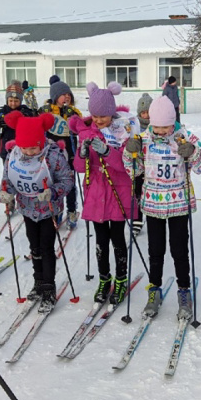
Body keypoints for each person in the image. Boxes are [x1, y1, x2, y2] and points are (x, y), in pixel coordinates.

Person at [123, 96, 201, 319]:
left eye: (165, 127)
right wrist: (129, 152)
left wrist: (192, 152)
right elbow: (134, 170)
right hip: (152, 204)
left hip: (179, 203)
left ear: (173, 122)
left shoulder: (184, 137)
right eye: (156, 127)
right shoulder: (143, 138)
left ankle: (184, 291)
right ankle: (154, 290)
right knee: (155, 251)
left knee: (180, 250)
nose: (160, 132)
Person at [70, 81, 140, 304]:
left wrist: (108, 152)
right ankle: (104, 278)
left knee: (118, 239)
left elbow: (126, 166)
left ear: (111, 112)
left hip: (117, 192)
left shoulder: (123, 131)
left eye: (103, 115)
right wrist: (82, 153)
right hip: (96, 193)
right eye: (96, 115)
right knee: (101, 240)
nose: (99, 120)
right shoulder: (87, 132)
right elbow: (79, 168)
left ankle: (120, 279)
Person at [0, 112, 73, 311]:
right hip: (27, 209)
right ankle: (38, 282)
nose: (30, 152)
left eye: (33, 148)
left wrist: (54, 192)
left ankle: (49, 288)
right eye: (25, 148)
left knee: (47, 247)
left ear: (41, 142)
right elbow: (8, 180)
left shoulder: (53, 156)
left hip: (48, 209)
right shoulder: (14, 155)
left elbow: (67, 180)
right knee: (35, 247)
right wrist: (4, 194)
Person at [41, 76, 82, 228]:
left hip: (69, 153)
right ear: (54, 96)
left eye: (68, 95)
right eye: (62, 94)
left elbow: (80, 128)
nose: (66, 97)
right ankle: (56, 212)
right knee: (55, 182)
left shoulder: (73, 111)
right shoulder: (46, 110)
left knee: (69, 183)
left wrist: (74, 118)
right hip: (51, 154)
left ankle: (72, 210)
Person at [0, 80, 36, 163]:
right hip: (6, 151)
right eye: (11, 101)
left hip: (24, 151)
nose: (13, 104)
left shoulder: (25, 111)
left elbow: (34, 130)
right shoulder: (2, 112)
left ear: (20, 101)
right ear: (7, 100)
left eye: (16, 101)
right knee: (8, 174)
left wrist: (26, 118)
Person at [133, 92, 154, 235]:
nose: (146, 115)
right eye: (143, 112)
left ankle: (153, 215)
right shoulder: (135, 126)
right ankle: (137, 219)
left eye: (149, 112)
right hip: (139, 166)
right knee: (137, 192)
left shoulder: (157, 126)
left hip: (152, 166)